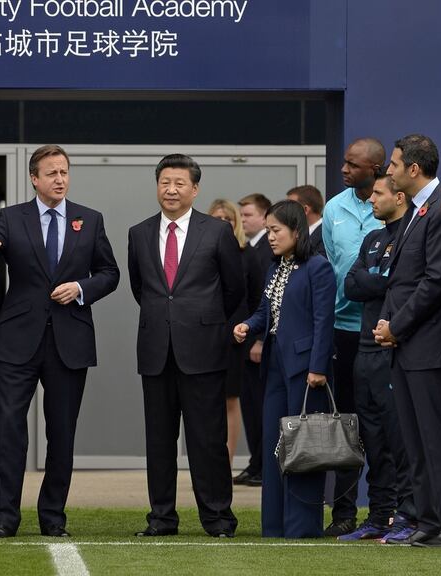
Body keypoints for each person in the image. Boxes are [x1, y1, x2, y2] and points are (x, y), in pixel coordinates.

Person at [0, 144, 120, 539]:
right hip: (19, 340)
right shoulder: (12, 218)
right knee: (9, 430)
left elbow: (109, 273)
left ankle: (53, 518)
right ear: (34, 178)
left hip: (70, 341)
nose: (59, 179)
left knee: (62, 433)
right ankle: (4, 520)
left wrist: (81, 289)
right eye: (51, 173)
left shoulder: (90, 219)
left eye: (64, 172)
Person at [127, 154, 243, 538]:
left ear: (195, 189)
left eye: (179, 183)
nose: (171, 189)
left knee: (207, 441)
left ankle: (217, 518)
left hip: (204, 351)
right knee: (158, 442)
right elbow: (140, 289)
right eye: (165, 182)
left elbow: (233, 289)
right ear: (156, 186)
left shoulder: (216, 232)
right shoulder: (139, 233)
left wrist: (203, 322)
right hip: (156, 351)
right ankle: (161, 518)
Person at [373, 134, 441, 547]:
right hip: (406, 346)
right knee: (415, 443)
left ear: (413, 169)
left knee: (437, 439)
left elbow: (435, 282)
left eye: (393, 165)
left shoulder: (440, 212)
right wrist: (390, 324)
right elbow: (405, 279)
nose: (388, 171)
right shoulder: (416, 210)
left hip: (429, 346)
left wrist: (397, 326)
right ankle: (427, 522)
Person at [234, 199, 336, 538]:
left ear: (296, 230)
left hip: (306, 369)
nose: (271, 237)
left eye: (275, 230)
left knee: (304, 447)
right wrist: (248, 326)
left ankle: (303, 527)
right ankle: (274, 525)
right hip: (275, 363)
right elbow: (266, 311)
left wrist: (318, 367)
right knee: (274, 443)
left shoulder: (318, 267)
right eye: (268, 230)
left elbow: (324, 321)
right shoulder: (275, 267)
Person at [341, 174, 416, 542]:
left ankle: (407, 515)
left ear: (399, 197)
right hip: (364, 352)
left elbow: (395, 283)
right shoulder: (372, 238)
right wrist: (378, 278)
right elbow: (351, 285)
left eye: (378, 194)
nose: (371, 200)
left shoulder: (411, 235)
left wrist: (377, 279)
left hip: (393, 353)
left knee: (398, 438)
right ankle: (379, 515)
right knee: (372, 440)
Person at [318, 138, 387, 536]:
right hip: (342, 331)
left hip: (381, 332)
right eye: (344, 162)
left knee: (380, 426)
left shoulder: (394, 206)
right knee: (345, 425)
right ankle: (342, 513)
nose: (344, 170)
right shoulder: (334, 208)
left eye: (353, 165)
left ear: (375, 169)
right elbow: (329, 266)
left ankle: (384, 511)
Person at [234, 193, 272, 487]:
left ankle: (262, 463)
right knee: (249, 404)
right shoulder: (250, 249)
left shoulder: (264, 252)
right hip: (245, 338)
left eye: (248, 214)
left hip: (257, 339)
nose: (243, 219)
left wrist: (258, 339)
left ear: (263, 216)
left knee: (258, 405)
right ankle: (255, 461)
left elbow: (264, 299)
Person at [207, 198, 246, 468]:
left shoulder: (245, 254)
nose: (222, 225)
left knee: (230, 400)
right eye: (216, 219)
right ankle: (209, 461)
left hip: (234, 338)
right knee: (208, 401)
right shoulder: (202, 251)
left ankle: (227, 461)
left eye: (227, 220)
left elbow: (250, 297)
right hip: (204, 337)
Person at [286, 185, 327, 257]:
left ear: (305, 209)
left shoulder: (326, 234)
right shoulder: (297, 234)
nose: (285, 211)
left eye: (290, 207)